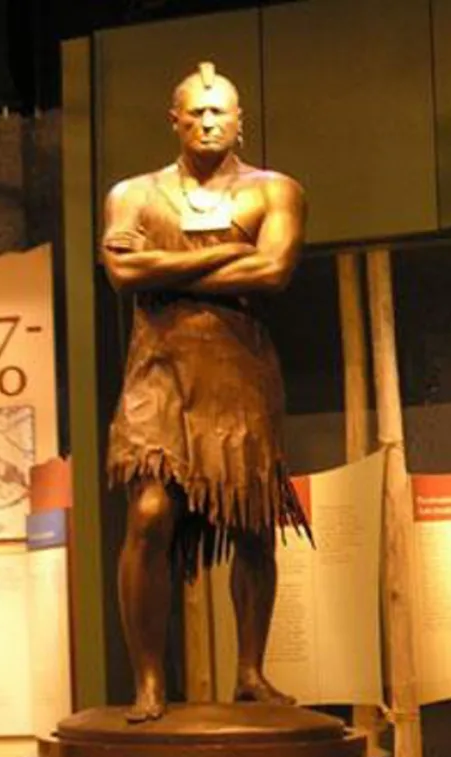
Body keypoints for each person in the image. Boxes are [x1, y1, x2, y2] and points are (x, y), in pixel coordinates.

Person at [101, 60, 309, 722]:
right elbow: (121, 273)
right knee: (149, 512)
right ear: (175, 121)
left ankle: (250, 671)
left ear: (240, 119)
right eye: (197, 112)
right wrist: (225, 254)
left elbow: (272, 271)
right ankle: (149, 680)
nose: (209, 122)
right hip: (157, 368)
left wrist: (163, 270)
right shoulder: (133, 194)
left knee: (251, 521)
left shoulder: (275, 191)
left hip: (237, 367)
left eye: (220, 111)